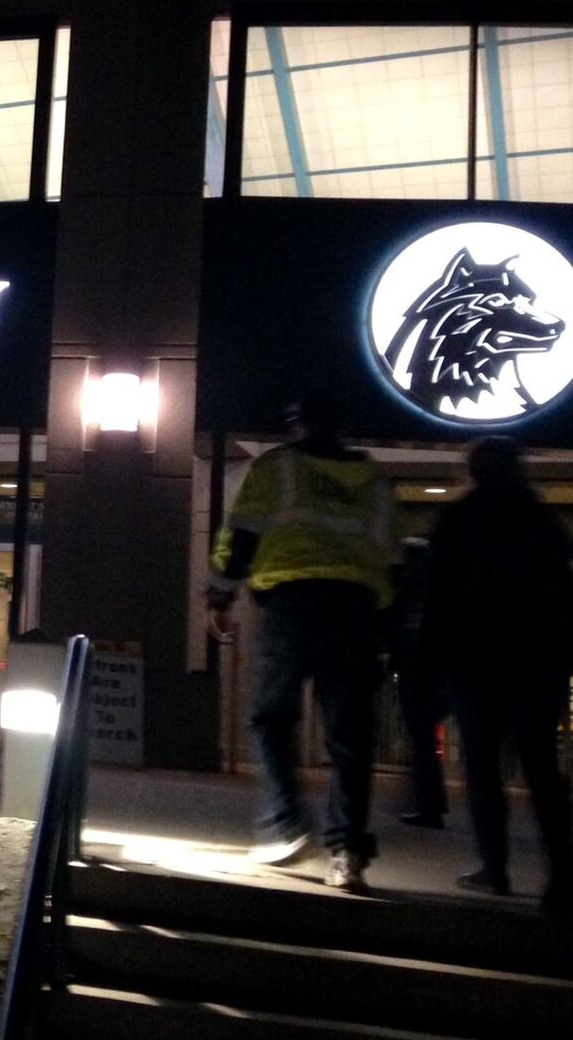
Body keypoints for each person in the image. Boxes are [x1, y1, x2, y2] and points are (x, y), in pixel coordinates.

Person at [208, 390, 396, 893]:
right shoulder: (375, 481)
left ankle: (283, 824)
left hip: (292, 605)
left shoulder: (278, 468)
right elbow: (390, 557)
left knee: (271, 719)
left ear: (298, 423)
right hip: (356, 611)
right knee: (350, 737)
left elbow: (241, 534)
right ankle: (349, 851)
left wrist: (220, 594)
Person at [421, 437, 573, 913]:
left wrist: (429, 657)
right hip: (537, 662)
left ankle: (496, 868)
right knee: (542, 771)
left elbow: (438, 596)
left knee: (482, 768)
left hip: (476, 661)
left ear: (474, 470)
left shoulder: (457, 520)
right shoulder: (544, 523)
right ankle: (562, 876)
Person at [392, 536, 447, 828]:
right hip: (438, 667)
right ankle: (431, 801)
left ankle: (429, 803)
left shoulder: (407, 588)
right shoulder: (440, 588)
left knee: (421, 736)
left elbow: (395, 623)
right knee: (425, 737)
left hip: (416, 668)